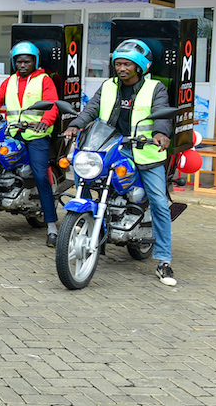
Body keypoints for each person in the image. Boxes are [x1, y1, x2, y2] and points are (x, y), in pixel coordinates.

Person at [65, 39, 175, 286]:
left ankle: (164, 261)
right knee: (86, 179)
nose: (122, 68)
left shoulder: (155, 88)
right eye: (118, 64)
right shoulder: (108, 86)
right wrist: (75, 125)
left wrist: (160, 134)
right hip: (111, 148)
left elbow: (162, 113)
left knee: (158, 201)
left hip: (145, 153)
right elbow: (91, 110)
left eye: (127, 64)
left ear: (140, 66)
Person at [0, 41, 60, 246]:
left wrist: (45, 122)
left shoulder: (44, 80)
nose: (22, 65)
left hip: (36, 136)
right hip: (14, 133)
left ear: (35, 61)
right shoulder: (10, 81)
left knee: (41, 175)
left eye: (27, 61)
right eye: (19, 61)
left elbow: (52, 105)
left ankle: (51, 225)